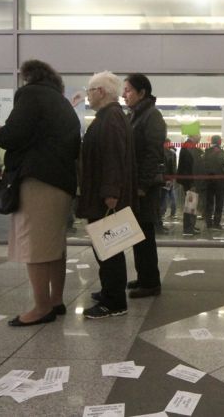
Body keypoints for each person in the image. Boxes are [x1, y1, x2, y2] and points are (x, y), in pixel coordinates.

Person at [0, 59, 80, 327]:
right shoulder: (62, 103)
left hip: (38, 179)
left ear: (28, 77)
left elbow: (12, 135)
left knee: (36, 245)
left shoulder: (31, 95)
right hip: (62, 182)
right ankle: (55, 300)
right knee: (55, 245)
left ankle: (41, 307)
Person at [77, 71, 138, 318]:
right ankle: (109, 291)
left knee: (109, 249)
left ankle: (114, 301)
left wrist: (111, 192)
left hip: (106, 197)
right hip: (104, 194)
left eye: (90, 91)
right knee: (107, 249)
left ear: (100, 92)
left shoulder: (110, 118)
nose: (88, 96)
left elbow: (113, 156)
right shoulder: (110, 116)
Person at [121, 73, 166, 298]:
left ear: (142, 93)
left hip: (145, 187)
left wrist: (141, 185)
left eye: (128, 90)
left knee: (145, 233)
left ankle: (151, 283)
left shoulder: (151, 116)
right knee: (138, 234)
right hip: (136, 185)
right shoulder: (137, 115)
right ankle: (144, 277)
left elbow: (153, 154)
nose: (123, 94)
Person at [177, 134, 204, 235]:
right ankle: (188, 228)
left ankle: (191, 225)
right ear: (194, 136)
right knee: (190, 205)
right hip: (190, 181)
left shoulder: (189, 146)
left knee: (192, 204)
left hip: (190, 180)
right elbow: (190, 167)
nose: (200, 138)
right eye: (199, 136)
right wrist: (191, 183)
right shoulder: (189, 146)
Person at [203, 135, 224, 229]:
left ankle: (208, 222)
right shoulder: (219, 150)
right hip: (218, 180)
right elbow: (222, 161)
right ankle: (216, 223)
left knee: (209, 202)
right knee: (219, 202)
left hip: (208, 180)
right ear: (219, 141)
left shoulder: (206, 151)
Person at [159, 138, 178, 223]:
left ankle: (162, 214)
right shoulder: (171, 153)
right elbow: (173, 167)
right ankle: (172, 212)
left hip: (163, 178)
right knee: (170, 195)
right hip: (169, 178)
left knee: (163, 197)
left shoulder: (161, 153)